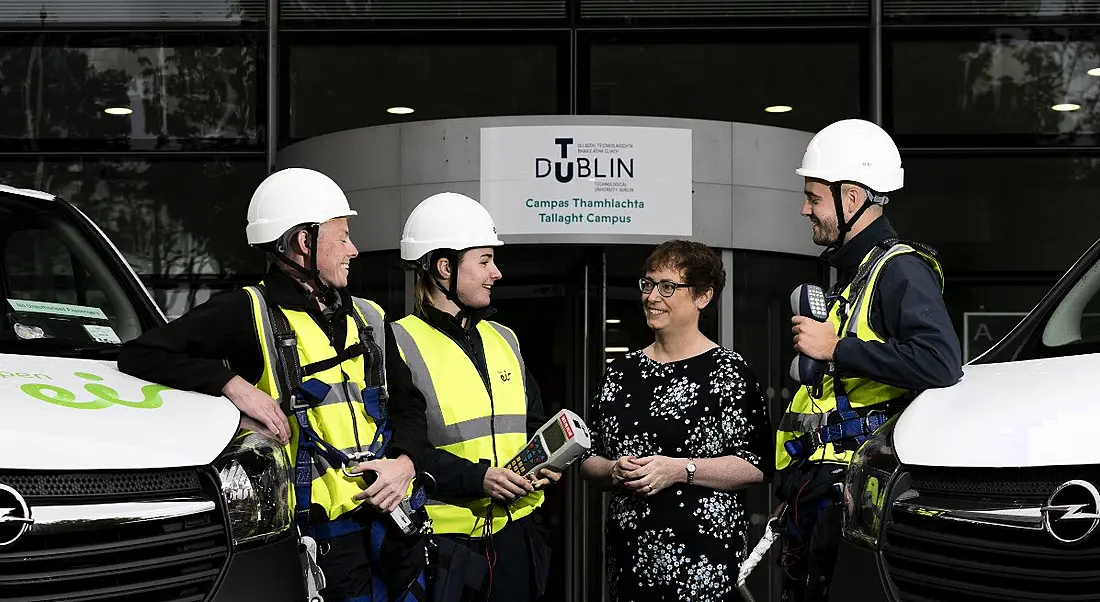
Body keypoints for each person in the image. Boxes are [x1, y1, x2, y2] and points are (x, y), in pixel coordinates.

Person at [117, 167, 429, 602]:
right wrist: (232, 384)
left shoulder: (370, 318)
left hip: (392, 525)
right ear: (305, 241)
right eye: (342, 237)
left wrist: (406, 464)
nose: (353, 250)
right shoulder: (248, 311)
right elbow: (140, 355)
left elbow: (410, 408)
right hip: (319, 540)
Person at [775, 119, 964, 601]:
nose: (804, 209)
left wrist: (835, 348)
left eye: (814, 198)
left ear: (852, 198)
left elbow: (941, 362)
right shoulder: (855, 272)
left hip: (854, 496)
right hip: (822, 495)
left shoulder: (900, 270)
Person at [578, 239, 773, 602]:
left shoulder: (728, 371)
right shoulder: (620, 372)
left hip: (705, 561)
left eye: (668, 287)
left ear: (703, 296)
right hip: (630, 558)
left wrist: (681, 469)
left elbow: (756, 465)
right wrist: (614, 470)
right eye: (648, 284)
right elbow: (588, 462)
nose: (652, 296)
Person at [389, 191, 559, 602]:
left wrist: (546, 461)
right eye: (484, 261)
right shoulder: (396, 342)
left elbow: (533, 421)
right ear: (444, 268)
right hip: (448, 549)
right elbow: (399, 448)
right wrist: (477, 479)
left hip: (517, 538)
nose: (496, 273)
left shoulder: (505, 338)